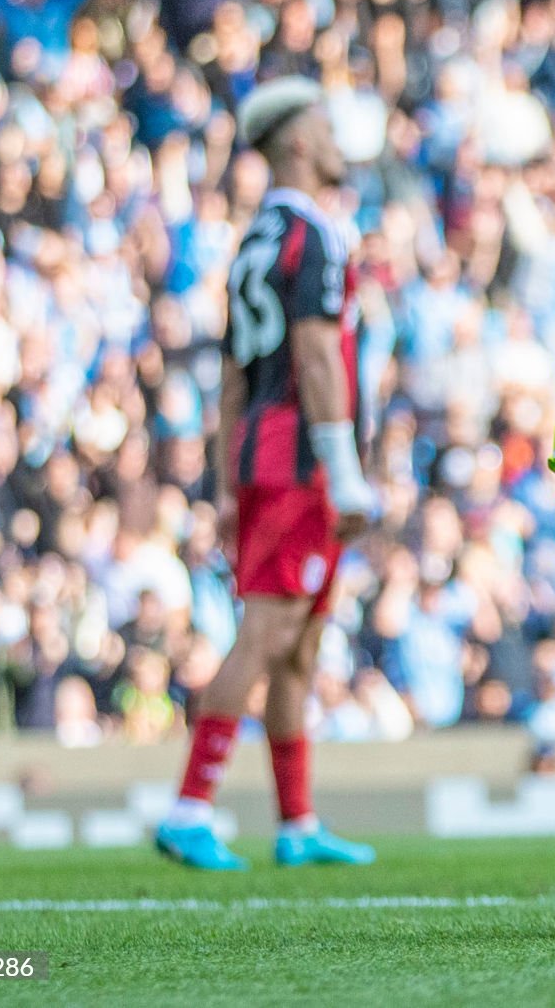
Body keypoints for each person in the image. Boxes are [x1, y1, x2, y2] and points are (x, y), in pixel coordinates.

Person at [154, 77, 379, 871]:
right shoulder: (311, 235)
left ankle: (296, 822)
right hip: (299, 460)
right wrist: (345, 470)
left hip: (261, 453)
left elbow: (232, 380)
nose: (334, 135)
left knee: (300, 644)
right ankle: (189, 807)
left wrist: (223, 482)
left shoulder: (256, 238)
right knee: (269, 632)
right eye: (323, 123)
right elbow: (317, 355)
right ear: (295, 143)